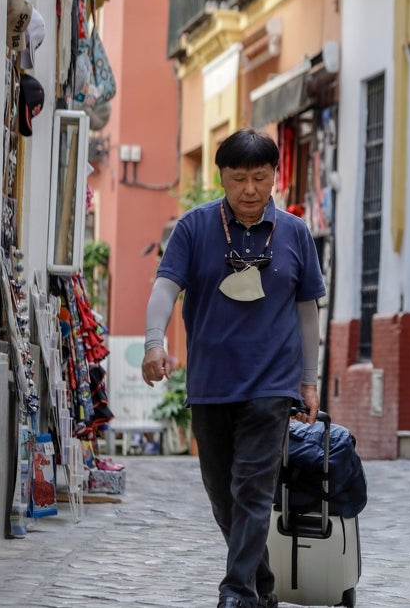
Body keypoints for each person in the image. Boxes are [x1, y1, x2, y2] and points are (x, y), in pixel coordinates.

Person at [140, 129, 325, 608]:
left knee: (253, 489)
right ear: (221, 176)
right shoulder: (194, 228)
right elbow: (165, 288)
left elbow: (307, 311)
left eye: (259, 178)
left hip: (272, 383)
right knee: (223, 494)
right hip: (211, 382)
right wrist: (153, 343)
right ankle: (262, 583)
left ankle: (236, 591)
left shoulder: (296, 233)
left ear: (274, 177)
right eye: (238, 178)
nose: (248, 189)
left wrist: (309, 379)